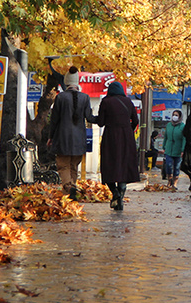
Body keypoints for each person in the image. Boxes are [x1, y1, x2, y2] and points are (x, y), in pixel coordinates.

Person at [47, 66, 96, 201]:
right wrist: (103, 118)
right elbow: (90, 118)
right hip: (79, 139)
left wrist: (50, 137)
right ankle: (70, 192)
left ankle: (69, 187)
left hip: (62, 138)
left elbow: (54, 120)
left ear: (66, 82)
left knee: (63, 165)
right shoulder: (85, 98)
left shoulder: (60, 97)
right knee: (74, 166)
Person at [95, 81, 140, 210]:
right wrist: (127, 129)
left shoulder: (106, 101)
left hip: (111, 136)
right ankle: (121, 190)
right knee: (124, 163)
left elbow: (101, 123)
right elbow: (135, 121)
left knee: (110, 164)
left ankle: (115, 193)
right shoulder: (128, 101)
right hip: (127, 137)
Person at [163, 110, 186, 189]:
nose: (174, 116)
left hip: (178, 150)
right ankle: (169, 180)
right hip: (169, 149)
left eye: (176, 115)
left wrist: (183, 150)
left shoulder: (182, 126)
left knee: (176, 167)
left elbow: (184, 139)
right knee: (168, 165)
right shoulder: (169, 125)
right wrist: (164, 146)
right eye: (173, 115)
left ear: (179, 117)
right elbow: (166, 136)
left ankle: (175, 183)